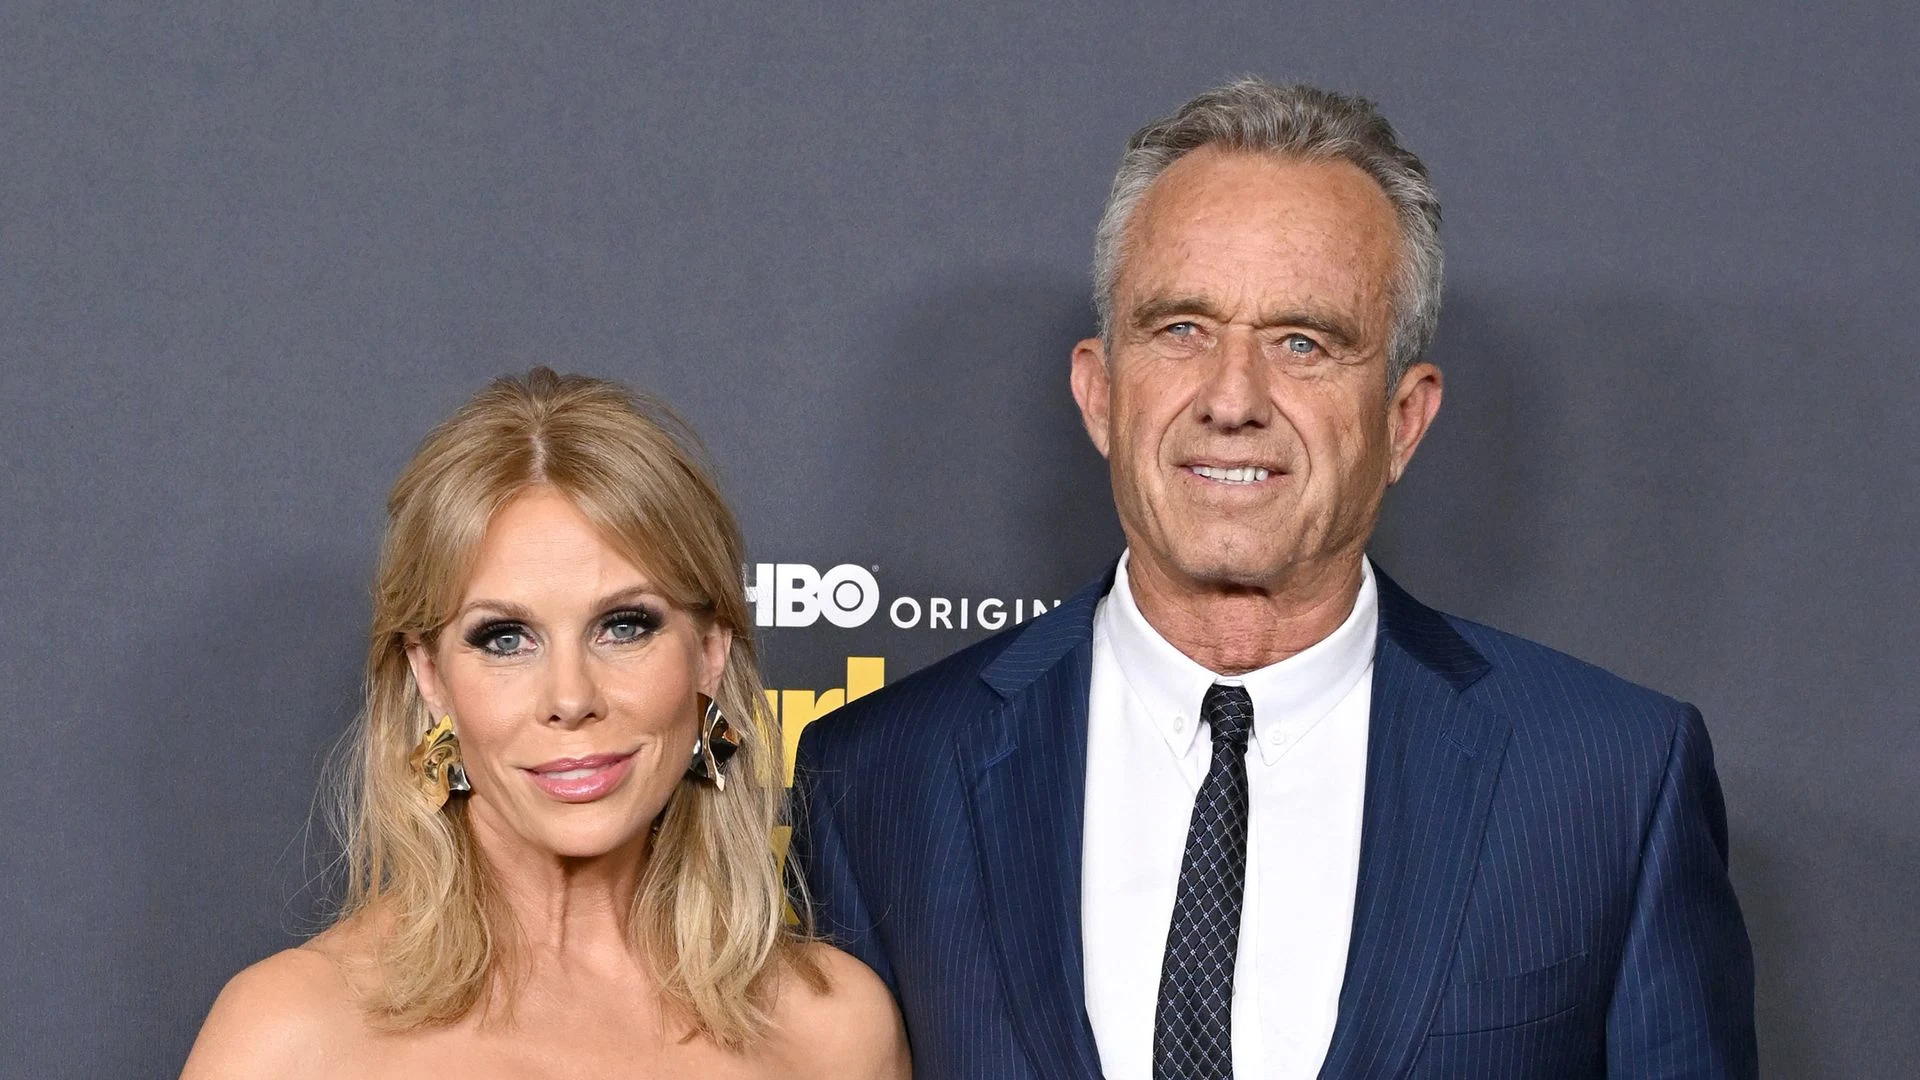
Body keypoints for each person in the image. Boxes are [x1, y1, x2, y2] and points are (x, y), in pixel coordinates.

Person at [791, 78, 1757, 1079]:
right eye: (1181, 330)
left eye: (1303, 341)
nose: (1233, 397)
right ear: (1099, 393)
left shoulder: (1609, 780)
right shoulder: (879, 781)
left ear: (1402, 421)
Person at [184, 370, 908, 1079]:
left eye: (623, 627)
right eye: (505, 638)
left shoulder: (834, 1031)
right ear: (430, 676)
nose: (570, 697)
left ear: (710, 653)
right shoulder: (291, 1036)